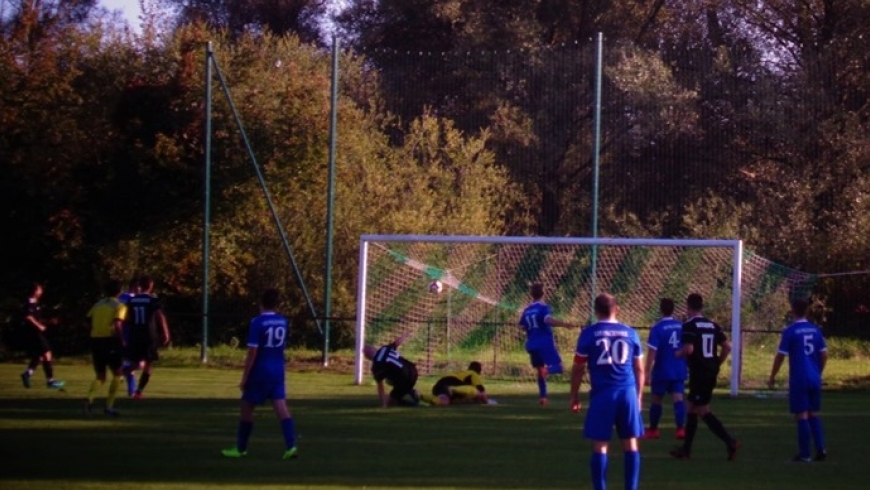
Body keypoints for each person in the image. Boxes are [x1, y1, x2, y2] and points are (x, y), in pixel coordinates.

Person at [570, 293, 643, 490]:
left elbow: (578, 368)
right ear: (616, 309)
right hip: (627, 392)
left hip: (603, 394)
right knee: (630, 443)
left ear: (596, 311)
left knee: (601, 445)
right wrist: (639, 396)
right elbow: (639, 368)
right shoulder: (630, 333)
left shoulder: (589, 333)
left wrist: (574, 395)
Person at [222, 288, 298, 459]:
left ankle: (240, 448)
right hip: (278, 369)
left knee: (247, 408)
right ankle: (291, 446)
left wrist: (245, 377)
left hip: (261, 369)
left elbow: (252, 352)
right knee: (281, 407)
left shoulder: (257, 322)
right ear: (277, 304)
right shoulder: (283, 321)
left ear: (260, 303)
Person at [670, 293, 740, 461]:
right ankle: (686, 450)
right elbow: (727, 346)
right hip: (709, 371)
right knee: (691, 408)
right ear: (702, 306)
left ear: (688, 307)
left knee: (702, 410)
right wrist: (717, 363)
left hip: (700, 372)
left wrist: (678, 354)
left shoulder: (689, 325)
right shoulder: (712, 325)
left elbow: (689, 349)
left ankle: (730, 441)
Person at [768, 297, 828, 462]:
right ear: (807, 311)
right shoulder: (816, 330)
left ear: (792, 310)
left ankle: (804, 454)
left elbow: (780, 356)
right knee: (813, 413)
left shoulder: (790, 331)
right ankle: (821, 449)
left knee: (801, 415)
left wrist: (772, 376)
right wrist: (818, 372)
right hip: (815, 377)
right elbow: (824, 355)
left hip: (799, 378)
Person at [518, 282, 575, 406]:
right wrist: (564, 324)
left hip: (531, 344)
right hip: (544, 342)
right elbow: (547, 320)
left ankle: (543, 397)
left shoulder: (527, 310)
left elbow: (522, 326)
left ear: (531, 294)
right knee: (559, 367)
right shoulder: (543, 308)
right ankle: (547, 371)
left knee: (540, 370)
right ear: (543, 293)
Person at [643, 298, 687, 439]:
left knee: (657, 399)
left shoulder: (657, 328)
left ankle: (654, 430)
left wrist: (646, 372)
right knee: (678, 398)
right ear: (673, 309)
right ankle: (680, 429)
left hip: (662, 369)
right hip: (678, 368)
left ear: (660, 309)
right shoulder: (681, 326)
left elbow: (652, 352)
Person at [122, 275, 170, 399]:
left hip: (135, 335)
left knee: (135, 362)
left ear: (140, 286)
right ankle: (138, 391)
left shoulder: (132, 301)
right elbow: (160, 316)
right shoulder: (152, 300)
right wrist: (165, 332)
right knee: (148, 364)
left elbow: (127, 318)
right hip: (149, 335)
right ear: (150, 286)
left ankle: (123, 372)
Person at [85, 279, 127, 416]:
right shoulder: (119, 306)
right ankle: (109, 407)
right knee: (118, 373)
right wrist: (122, 341)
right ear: (120, 291)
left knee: (100, 376)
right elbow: (117, 325)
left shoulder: (97, 304)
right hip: (110, 341)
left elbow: (88, 321)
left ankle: (89, 400)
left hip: (95, 341)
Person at [19, 283, 65, 389]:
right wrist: (39, 325)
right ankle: (50, 381)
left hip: (36, 332)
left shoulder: (36, 303)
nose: (41, 292)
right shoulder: (29, 302)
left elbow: (36, 318)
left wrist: (49, 322)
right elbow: (29, 317)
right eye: (39, 290)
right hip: (33, 333)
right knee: (47, 354)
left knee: (39, 356)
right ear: (35, 291)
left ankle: (27, 374)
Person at [363, 332, 420, 407]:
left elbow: (380, 387)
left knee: (391, 401)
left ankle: (413, 404)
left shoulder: (376, 366)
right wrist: (405, 335)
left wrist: (384, 404)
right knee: (390, 380)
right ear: (374, 349)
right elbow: (397, 342)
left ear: (367, 357)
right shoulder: (384, 348)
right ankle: (411, 391)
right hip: (414, 372)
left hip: (404, 380)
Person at [420, 361, 489, 406]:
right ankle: (450, 391)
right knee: (445, 401)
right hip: (450, 383)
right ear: (479, 371)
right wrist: (488, 402)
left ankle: (420, 397)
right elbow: (482, 392)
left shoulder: (463, 373)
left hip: (438, 385)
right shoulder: (473, 374)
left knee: (443, 398)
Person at [118, 277, 140, 396]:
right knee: (137, 363)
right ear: (136, 286)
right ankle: (121, 371)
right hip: (128, 332)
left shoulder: (121, 297)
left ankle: (132, 391)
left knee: (131, 363)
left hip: (124, 331)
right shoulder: (130, 298)